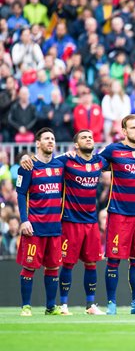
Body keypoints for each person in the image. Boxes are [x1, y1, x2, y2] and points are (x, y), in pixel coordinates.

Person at [21, 129, 108, 315]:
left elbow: (116, 158)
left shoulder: (99, 161)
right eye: (84, 137)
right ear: (75, 145)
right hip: (69, 221)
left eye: (90, 137)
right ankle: (63, 305)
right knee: (66, 264)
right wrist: (24, 158)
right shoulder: (65, 161)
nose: (88, 139)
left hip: (91, 221)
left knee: (91, 263)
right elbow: (44, 160)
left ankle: (90, 305)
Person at [100, 114, 135, 315]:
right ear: (124, 131)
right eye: (133, 128)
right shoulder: (113, 150)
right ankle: (111, 304)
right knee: (114, 259)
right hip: (118, 214)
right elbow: (92, 160)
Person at [16, 128, 65, 316]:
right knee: (29, 266)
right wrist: (24, 220)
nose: (50, 141)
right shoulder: (28, 166)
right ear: (38, 143)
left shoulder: (60, 165)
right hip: (34, 227)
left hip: (54, 226)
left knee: (53, 267)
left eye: (53, 138)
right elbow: (20, 194)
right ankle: (26, 306)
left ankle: (51, 307)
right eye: (46, 138)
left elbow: (78, 156)